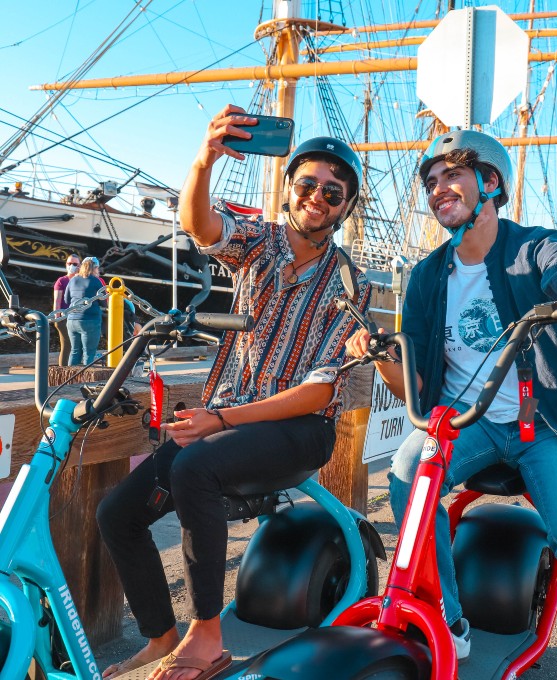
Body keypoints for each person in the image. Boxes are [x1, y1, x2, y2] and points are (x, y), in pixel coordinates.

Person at [346, 130, 557, 680]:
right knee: (409, 472)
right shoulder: (428, 277)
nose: (438, 188)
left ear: (491, 183)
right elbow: (412, 382)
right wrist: (376, 351)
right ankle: (451, 621)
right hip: (464, 421)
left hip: (543, 422)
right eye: (431, 181)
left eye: (452, 174)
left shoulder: (529, 246)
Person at [96, 103, 371, 680]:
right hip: (227, 420)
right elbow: (201, 225)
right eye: (308, 184)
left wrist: (221, 422)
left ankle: (207, 635)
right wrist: (205, 159)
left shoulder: (349, 281)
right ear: (290, 189)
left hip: (296, 430)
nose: (317, 197)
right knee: (117, 513)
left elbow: (321, 390)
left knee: (195, 467)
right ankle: (160, 635)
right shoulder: (258, 243)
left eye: (332, 192)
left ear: (344, 208)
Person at [63, 256, 105, 366]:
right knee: (88, 353)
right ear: (95, 268)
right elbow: (103, 302)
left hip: (72, 320)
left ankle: (70, 380)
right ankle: (85, 381)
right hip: (89, 320)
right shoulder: (96, 281)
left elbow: (67, 300)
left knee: (75, 351)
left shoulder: (73, 280)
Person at [53, 253, 81, 366]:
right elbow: (57, 300)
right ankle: (63, 370)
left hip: (78, 318)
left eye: (75, 264)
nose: (72, 266)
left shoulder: (81, 280)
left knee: (78, 346)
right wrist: (57, 318)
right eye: (69, 263)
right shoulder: (62, 281)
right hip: (64, 318)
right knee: (67, 345)